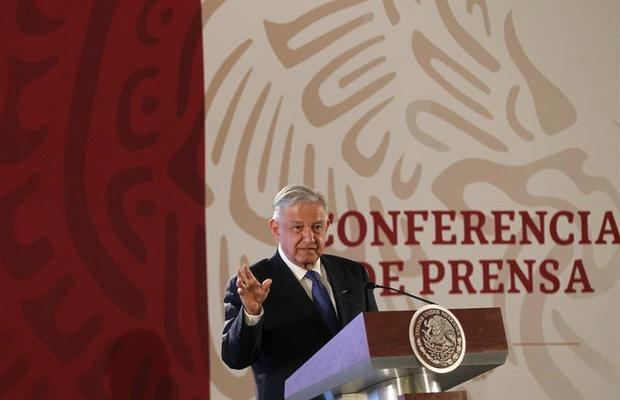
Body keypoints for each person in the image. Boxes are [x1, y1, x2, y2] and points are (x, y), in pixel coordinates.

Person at [221, 184, 378, 400]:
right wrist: (251, 312)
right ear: (276, 229)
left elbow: (376, 342)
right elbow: (235, 358)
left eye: (317, 227)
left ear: (327, 226)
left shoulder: (353, 274)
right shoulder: (253, 283)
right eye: (297, 228)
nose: (309, 237)